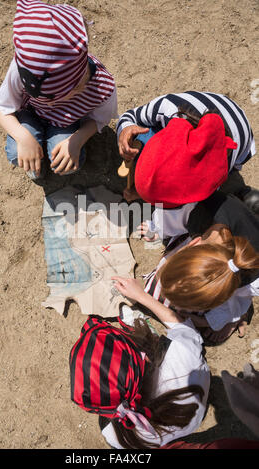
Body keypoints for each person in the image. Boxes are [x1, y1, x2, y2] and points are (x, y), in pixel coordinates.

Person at [0, 0, 117, 180]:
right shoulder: (25, 70)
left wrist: (78, 140)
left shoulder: (102, 88)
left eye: (54, 97)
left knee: (71, 163)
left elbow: (99, 120)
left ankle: (46, 150)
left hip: (66, 120)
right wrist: (23, 138)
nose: (49, 102)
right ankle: (34, 151)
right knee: (15, 153)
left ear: (76, 84)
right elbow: (1, 108)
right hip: (30, 114)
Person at [113, 193, 259, 344]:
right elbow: (173, 218)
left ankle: (235, 318)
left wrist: (224, 317)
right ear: (194, 242)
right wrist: (157, 229)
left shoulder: (251, 281)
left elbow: (241, 296)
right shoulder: (195, 212)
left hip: (242, 281)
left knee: (233, 306)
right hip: (214, 222)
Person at [117, 91, 258, 242]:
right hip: (225, 117)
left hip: (240, 139)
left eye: (160, 203)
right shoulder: (167, 107)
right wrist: (126, 128)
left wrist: (157, 228)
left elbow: (176, 219)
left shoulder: (211, 174)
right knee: (140, 136)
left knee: (193, 213)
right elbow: (129, 116)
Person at [70, 308, 210, 449]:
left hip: (174, 430)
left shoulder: (112, 435)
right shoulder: (180, 352)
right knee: (162, 346)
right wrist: (141, 297)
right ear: (145, 357)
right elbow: (185, 327)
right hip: (196, 413)